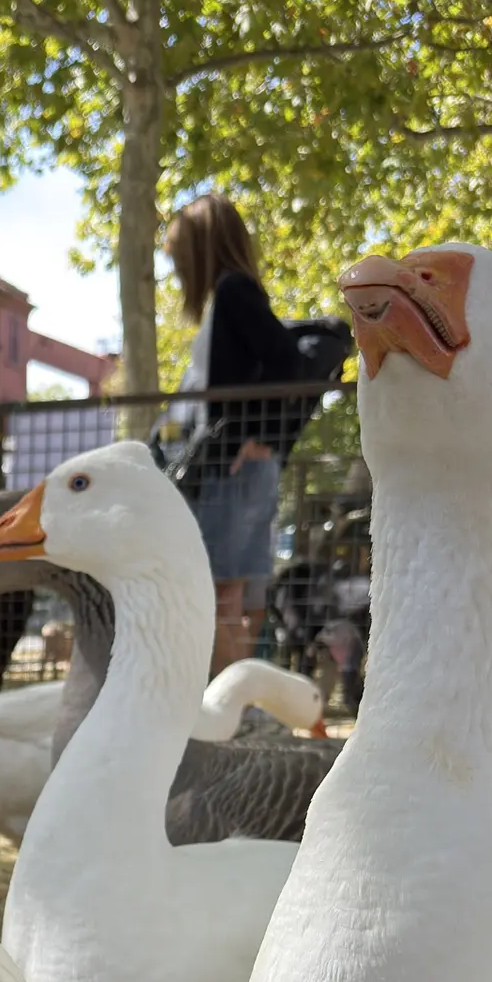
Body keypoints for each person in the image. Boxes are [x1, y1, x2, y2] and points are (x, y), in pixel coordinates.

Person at [164, 193, 299, 673]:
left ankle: (228, 703)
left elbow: (291, 364)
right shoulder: (235, 292)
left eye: (179, 255)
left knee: (223, 589)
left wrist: (260, 437)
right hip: (239, 466)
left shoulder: (234, 292)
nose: (176, 267)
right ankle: (237, 701)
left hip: (235, 469)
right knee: (237, 590)